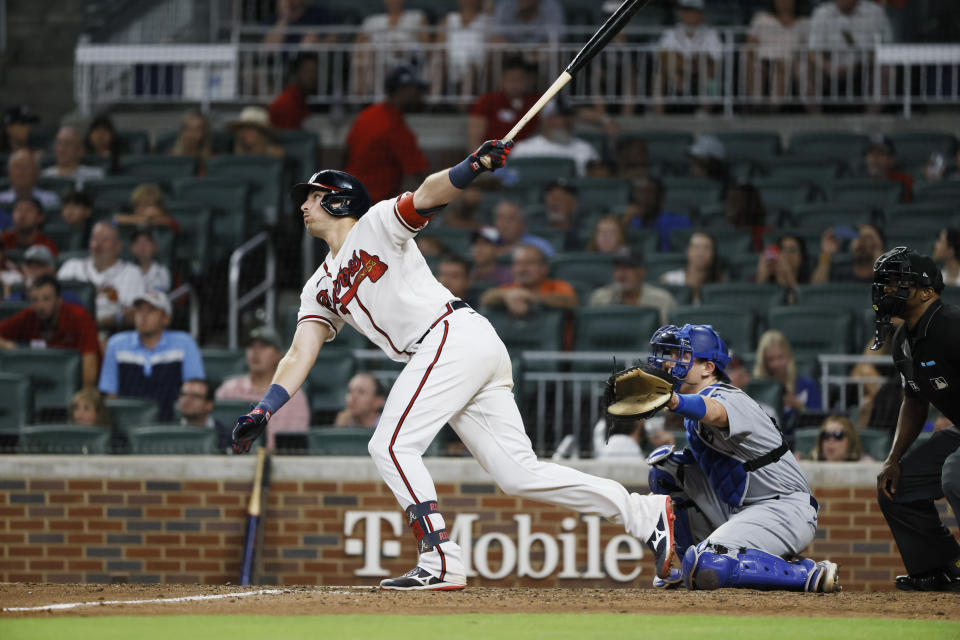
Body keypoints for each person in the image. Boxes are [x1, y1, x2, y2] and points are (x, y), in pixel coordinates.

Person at [230, 145, 677, 590]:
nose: (303, 205)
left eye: (312, 195)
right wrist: (265, 408)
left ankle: (440, 557)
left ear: (337, 199)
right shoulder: (319, 287)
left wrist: (472, 167)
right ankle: (644, 513)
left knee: (389, 446)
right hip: (459, 347)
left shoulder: (376, 223)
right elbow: (298, 354)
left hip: (449, 335)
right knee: (517, 473)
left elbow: (425, 195)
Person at [643, 323, 839, 592]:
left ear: (708, 368)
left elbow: (716, 412)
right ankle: (685, 562)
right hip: (740, 509)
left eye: (683, 356)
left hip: (784, 508)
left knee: (709, 564)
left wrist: (674, 402)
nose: (670, 363)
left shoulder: (728, 395)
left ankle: (806, 574)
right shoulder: (693, 412)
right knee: (667, 470)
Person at [871, 247, 960, 591]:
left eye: (898, 282)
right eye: (886, 283)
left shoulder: (951, 325)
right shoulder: (903, 341)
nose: (888, 290)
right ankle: (942, 567)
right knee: (898, 485)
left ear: (927, 291)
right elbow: (914, 401)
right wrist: (893, 458)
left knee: (955, 474)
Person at [99, 290, 204, 422]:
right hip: (127, 424)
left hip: (172, 424)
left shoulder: (185, 343)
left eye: (151, 310)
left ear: (166, 318)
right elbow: (110, 395)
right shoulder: (116, 344)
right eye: (139, 310)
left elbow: (194, 391)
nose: (143, 315)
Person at [344, 65, 430, 203]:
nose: (419, 96)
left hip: (349, 197)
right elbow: (421, 175)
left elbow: (345, 154)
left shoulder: (368, 113)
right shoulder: (394, 126)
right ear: (402, 91)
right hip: (371, 206)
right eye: (415, 90)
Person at [215, 326, 310, 450]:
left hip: (277, 463)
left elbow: (292, 445)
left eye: (263, 346)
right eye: (251, 346)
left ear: (279, 355)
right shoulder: (228, 390)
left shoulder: (293, 395)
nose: (255, 351)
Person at [0, 274, 101, 388]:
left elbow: (90, 364)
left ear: (59, 300)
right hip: (38, 384)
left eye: (46, 299)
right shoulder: (29, 316)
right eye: (35, 300)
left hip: (71, 386)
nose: (40, 306)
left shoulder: (80, 317)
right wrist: (7, 345)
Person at [58, 221, 147, 334]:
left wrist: (100, 322)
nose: (97, 245)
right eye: (94, 239)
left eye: (105, 240)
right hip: (67, 329)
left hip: (109, 332)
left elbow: (135, 312)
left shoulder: (132, 273)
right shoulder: (71, 266)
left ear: (118, 247)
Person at [807, 0, 893, 100]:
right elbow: (812, 52)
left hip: (865, 68)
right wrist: (827, 66)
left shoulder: (876, 12)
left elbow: (887, 47)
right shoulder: (821, 13)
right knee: (805, 69)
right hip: (829, 70)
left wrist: (863, 63)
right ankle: (816, 115)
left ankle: (871, 115)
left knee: (887, 69)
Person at [654, 0, 723, 115]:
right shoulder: (671, 33)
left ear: (701, 14)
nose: (688, 15)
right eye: (685, 11)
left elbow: (715, 59)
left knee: (709, 71)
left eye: (692, 11)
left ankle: (705, 111)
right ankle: (658, 115)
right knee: (660, 73)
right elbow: (662, 56)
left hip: (701, 73)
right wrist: (680, 66)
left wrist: (689, 62)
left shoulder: (711, 33)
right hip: (676, 75)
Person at [352, 0, 430, 95]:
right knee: (365, 52)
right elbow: (357, 45)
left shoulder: (417, 17)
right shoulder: (372, 21)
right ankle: (363, 96)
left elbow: (427, 47)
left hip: (408, 62)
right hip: (377, 62)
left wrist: (407, 50)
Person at [479, 244, 577, 318]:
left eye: (529, 263)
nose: (522, 269)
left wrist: (531, 297)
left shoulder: (558, 287)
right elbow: (486, 298)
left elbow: (570, 301)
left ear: (544, 268)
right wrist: (505, 295)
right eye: (518, 264)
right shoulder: (511, 289)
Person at [509, 100, 600, 177]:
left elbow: (596, 181)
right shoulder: (524, 149)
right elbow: (509, 180)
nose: (564, 121)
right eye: (558, 116)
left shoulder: (585, 149)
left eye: (568, 116)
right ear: (545, 119)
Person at [467, 56, 540, 151]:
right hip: (494, 157)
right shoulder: (487, 101)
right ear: (502, 80)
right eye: (511, 80)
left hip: (525, 157)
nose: (515, 84)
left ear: (528, 81)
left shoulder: (537, 101)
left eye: (519, 79)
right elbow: (474, 139)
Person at [752, 329, 822, 426]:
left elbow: (818, 420)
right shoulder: (757, 389)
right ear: (763, 361)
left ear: (789, 356)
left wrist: (799, 406)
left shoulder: (807, 386)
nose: (776, 364)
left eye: (780, 357)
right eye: (771, 359)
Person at [746, 0, 811, 103]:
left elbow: (807, 49)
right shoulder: (761, 19)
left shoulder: (804, 23)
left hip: (789, 61)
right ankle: (756, 104)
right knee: (755, 65)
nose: (783, 2)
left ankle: (775, 106)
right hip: (763, 58)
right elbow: (750, 45)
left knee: (782, 67)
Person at [589, 249, 676, 324]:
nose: (621, 275)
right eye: (617, 269)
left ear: (642, 272)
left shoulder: (662, 300)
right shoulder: (600, 299)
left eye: (627, 268)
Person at [622, 176, 691, 253]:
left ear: (660, 197)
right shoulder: (631, 222)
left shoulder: (680, 221)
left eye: (649, 192)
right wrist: (625, 223)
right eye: (640, 192)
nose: (643, 198)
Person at [435, 0, 490, 94]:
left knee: (470, 69)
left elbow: (492, 49)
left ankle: (464, 105)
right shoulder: (448, 19)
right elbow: (439, 46)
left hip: (477, 66)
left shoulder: (487, 21)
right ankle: (434, 101)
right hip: (451, 64)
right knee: (437, 62)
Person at [0, 149, 61, 229]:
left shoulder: (51, 200)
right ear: (9, 172)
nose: (21, 172)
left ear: (37, 172)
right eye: (17, 167)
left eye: (27, 167)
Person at [812, 222, 885, 284]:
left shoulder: (884, 275)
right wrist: (826, 254)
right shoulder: (839, 271)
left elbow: (890, 288)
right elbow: (817, 290)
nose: (861, 243)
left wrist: (879, 252)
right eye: (858, 237)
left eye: (868, 238)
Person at [660, 232, 723, 303]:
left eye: (707, 248)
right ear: (688, 251)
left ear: (713, 253)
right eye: (696, 247)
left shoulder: (721, 283)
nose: (700, 253)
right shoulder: (669, 280)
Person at [41, 126, 105, 189]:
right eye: (59, 143)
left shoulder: (95, 176)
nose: (61, 149)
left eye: (67, 144)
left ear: (80, 150)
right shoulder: (44, 176)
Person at [178, 378, 232, 453]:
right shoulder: (168, 433)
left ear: (209, 405)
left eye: (195, 396)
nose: (186, 400)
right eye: (183, 394)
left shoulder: (227, 438)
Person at [269, 53, 318, 130]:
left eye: (314, 72)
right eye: (307, 72)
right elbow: (287, 136)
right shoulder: (286, 101)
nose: (312, 76)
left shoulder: (301, 97)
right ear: (297, 73)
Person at [756, 233, 810, 303]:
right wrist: (761, 278)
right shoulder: (768, 279)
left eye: (792, 250)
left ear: (802, 257)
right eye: (782, 250)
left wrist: (788, 277)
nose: (786, 255)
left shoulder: (809, 281)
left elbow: (805, 304)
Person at [112, 183, 180, 233]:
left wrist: (149, 220)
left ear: (159, 207)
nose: (141, 209)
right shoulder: (133, 222)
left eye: (147, 205)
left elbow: (173, 226)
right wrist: (137, 220)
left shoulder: (170, 222)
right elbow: (113, 222)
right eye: (138, 205)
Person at [489, 0, 565, 45]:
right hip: (512, 56)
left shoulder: (551, 6)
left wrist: (535, 53)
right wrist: (519, 52)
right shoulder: (505, 6)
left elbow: (558, 38)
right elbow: (498, 37)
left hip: (542, 58)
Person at [262, 0, 334, 46]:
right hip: (283, 66)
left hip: (311, 62)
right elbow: (269, 50)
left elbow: (334, 39)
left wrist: (318, 43)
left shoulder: (318, 14)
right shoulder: (273, 19)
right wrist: (284, 17)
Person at [864, 134, 913, 203]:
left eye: (881, 153)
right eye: (871, 153)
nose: (874, 158)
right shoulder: (859, 184)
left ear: (891, 159)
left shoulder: (905, 181)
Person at [722, 184, 769, 252]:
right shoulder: (718, 227)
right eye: (728, 199)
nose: (729, 204)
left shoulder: (762, 235)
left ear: (751, 204)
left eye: (735, 200)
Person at [169, 110, 214, 176]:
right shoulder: (168, 159)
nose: (191, 135)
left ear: (204, 134)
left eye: (197, 130)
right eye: (187, 129)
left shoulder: (213, 162)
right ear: (181, 132)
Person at [129, 228, 171, 293]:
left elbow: (162, 297)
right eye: (138, 243)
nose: (142, 247)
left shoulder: (162, 271)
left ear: (154, 247)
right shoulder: (127, 271)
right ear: (132, 248)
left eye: (146, 243)